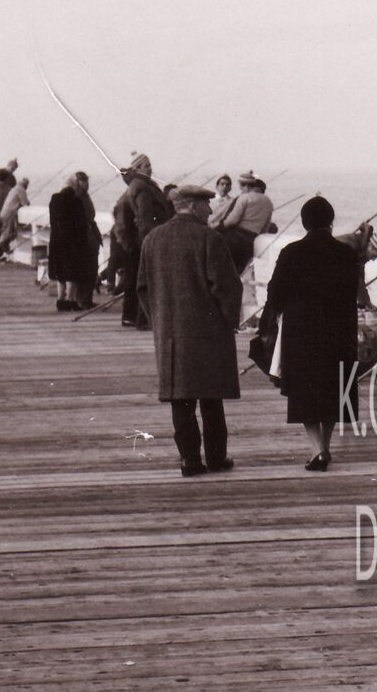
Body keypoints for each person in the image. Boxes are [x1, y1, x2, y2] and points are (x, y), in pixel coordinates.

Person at [257, 195, 371, 470]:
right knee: (333, 388)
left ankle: (317, 449)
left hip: (301, 331)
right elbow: (355, 292)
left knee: (304, 390)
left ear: (304, 222)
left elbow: (275, 293)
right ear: (331, 221)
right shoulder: (347, 253)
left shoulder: (291, 252)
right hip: (339, 330)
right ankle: (326, 446)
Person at [139, 183, 242, 475]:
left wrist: (159, 319)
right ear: (194, 207)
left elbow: (142, 288)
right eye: (206, 205)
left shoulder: (152, 239)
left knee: (180, 399)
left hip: (170, 334)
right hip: (208, 332)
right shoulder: (209, 238)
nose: (210, 210)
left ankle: (189, 460)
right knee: (211, 398)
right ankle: (216, 458)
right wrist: (230, 321)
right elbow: (227, 287)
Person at [113, 153, 174, 329]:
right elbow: (146, 217)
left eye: (150, 165)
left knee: (133, 279)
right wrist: (152, 240)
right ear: (138, 168)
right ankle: (143, 318)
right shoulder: (142, 187)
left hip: (136, 241)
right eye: (146, 165)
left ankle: (131, 317)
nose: (150, 168)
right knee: (143, 280)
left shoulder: (137, 185)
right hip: (144, 241)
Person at [47, 171, 97, 311]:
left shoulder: (54, 199)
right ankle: (70, 300)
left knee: (60, 273)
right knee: (73, 272)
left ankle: (60, 300)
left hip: (56, 240)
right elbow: (80, 223)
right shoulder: (76, 201)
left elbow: (53, 221)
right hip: (72, 241)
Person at [215, 170, 277, 275]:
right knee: (237, 273)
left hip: (233, 240)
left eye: (241, 187)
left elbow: (231, 221)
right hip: (250, 242)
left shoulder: (244, 198)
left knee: (223, 271)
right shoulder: (269, 202)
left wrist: (217, 227)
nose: (241, 190)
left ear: (245, 186)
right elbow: (265, 227)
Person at [0, 174, 30, 258]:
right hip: (10, 213)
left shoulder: (14, 188)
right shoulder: (21, 189)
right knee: (7, 233)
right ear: (25, 184)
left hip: (4, 212)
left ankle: (3, 249)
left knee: (8, 232)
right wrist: (28, 202)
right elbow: (25, 203)